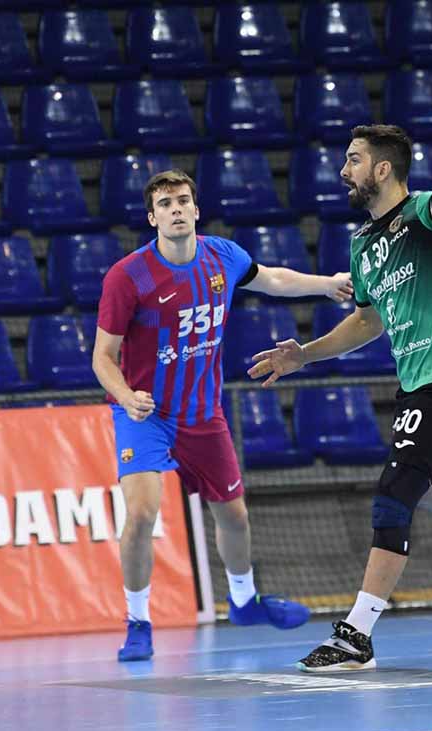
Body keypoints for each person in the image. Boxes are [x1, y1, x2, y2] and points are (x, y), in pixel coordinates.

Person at [249, 97, 432, 672]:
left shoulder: (424, 217)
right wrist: (302, 356)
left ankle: (355, 633)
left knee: (393, 495)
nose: (345, 171)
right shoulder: (363, 246)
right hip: (416, 385)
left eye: (354, 159)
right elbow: (367, 320)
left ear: (382, 168)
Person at [93, 169, 354, 661]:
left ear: (195, 209)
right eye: (165, 203)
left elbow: (272, 278)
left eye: (182, 200)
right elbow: (102, 357)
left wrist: (328, 284)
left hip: (202, 413)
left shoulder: (223, 256)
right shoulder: (128, 277)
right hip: (145, 412)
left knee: (234, 514)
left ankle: (242, 600)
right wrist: (127, 397)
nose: (175, 208)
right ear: (152, 218)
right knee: (142, 513)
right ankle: (138, 621)